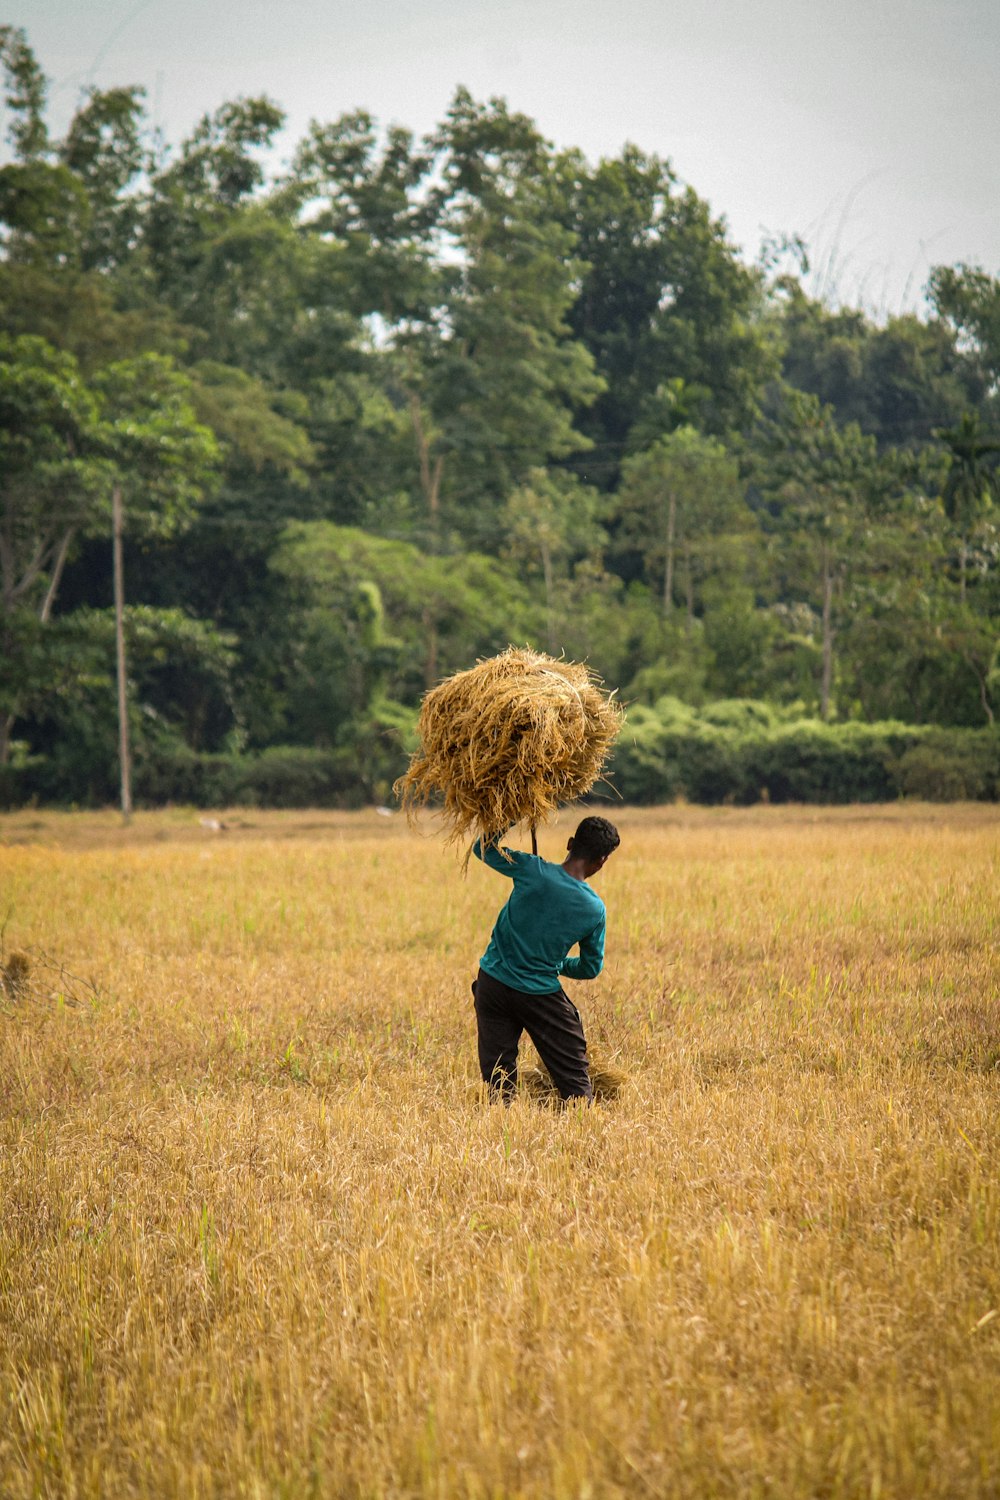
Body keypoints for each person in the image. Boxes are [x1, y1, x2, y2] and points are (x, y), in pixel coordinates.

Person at [471, 814, 621, 1103]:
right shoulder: (594, 909)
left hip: (492, 984)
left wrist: (513, 815)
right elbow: (590, 967)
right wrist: (560, 964)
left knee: (498, 1082)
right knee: (575, 1084)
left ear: (570, 843)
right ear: (602, 861)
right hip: (539, 996)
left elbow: (483, 849)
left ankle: (498, 1130)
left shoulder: (532, 870)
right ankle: (580, 1129)